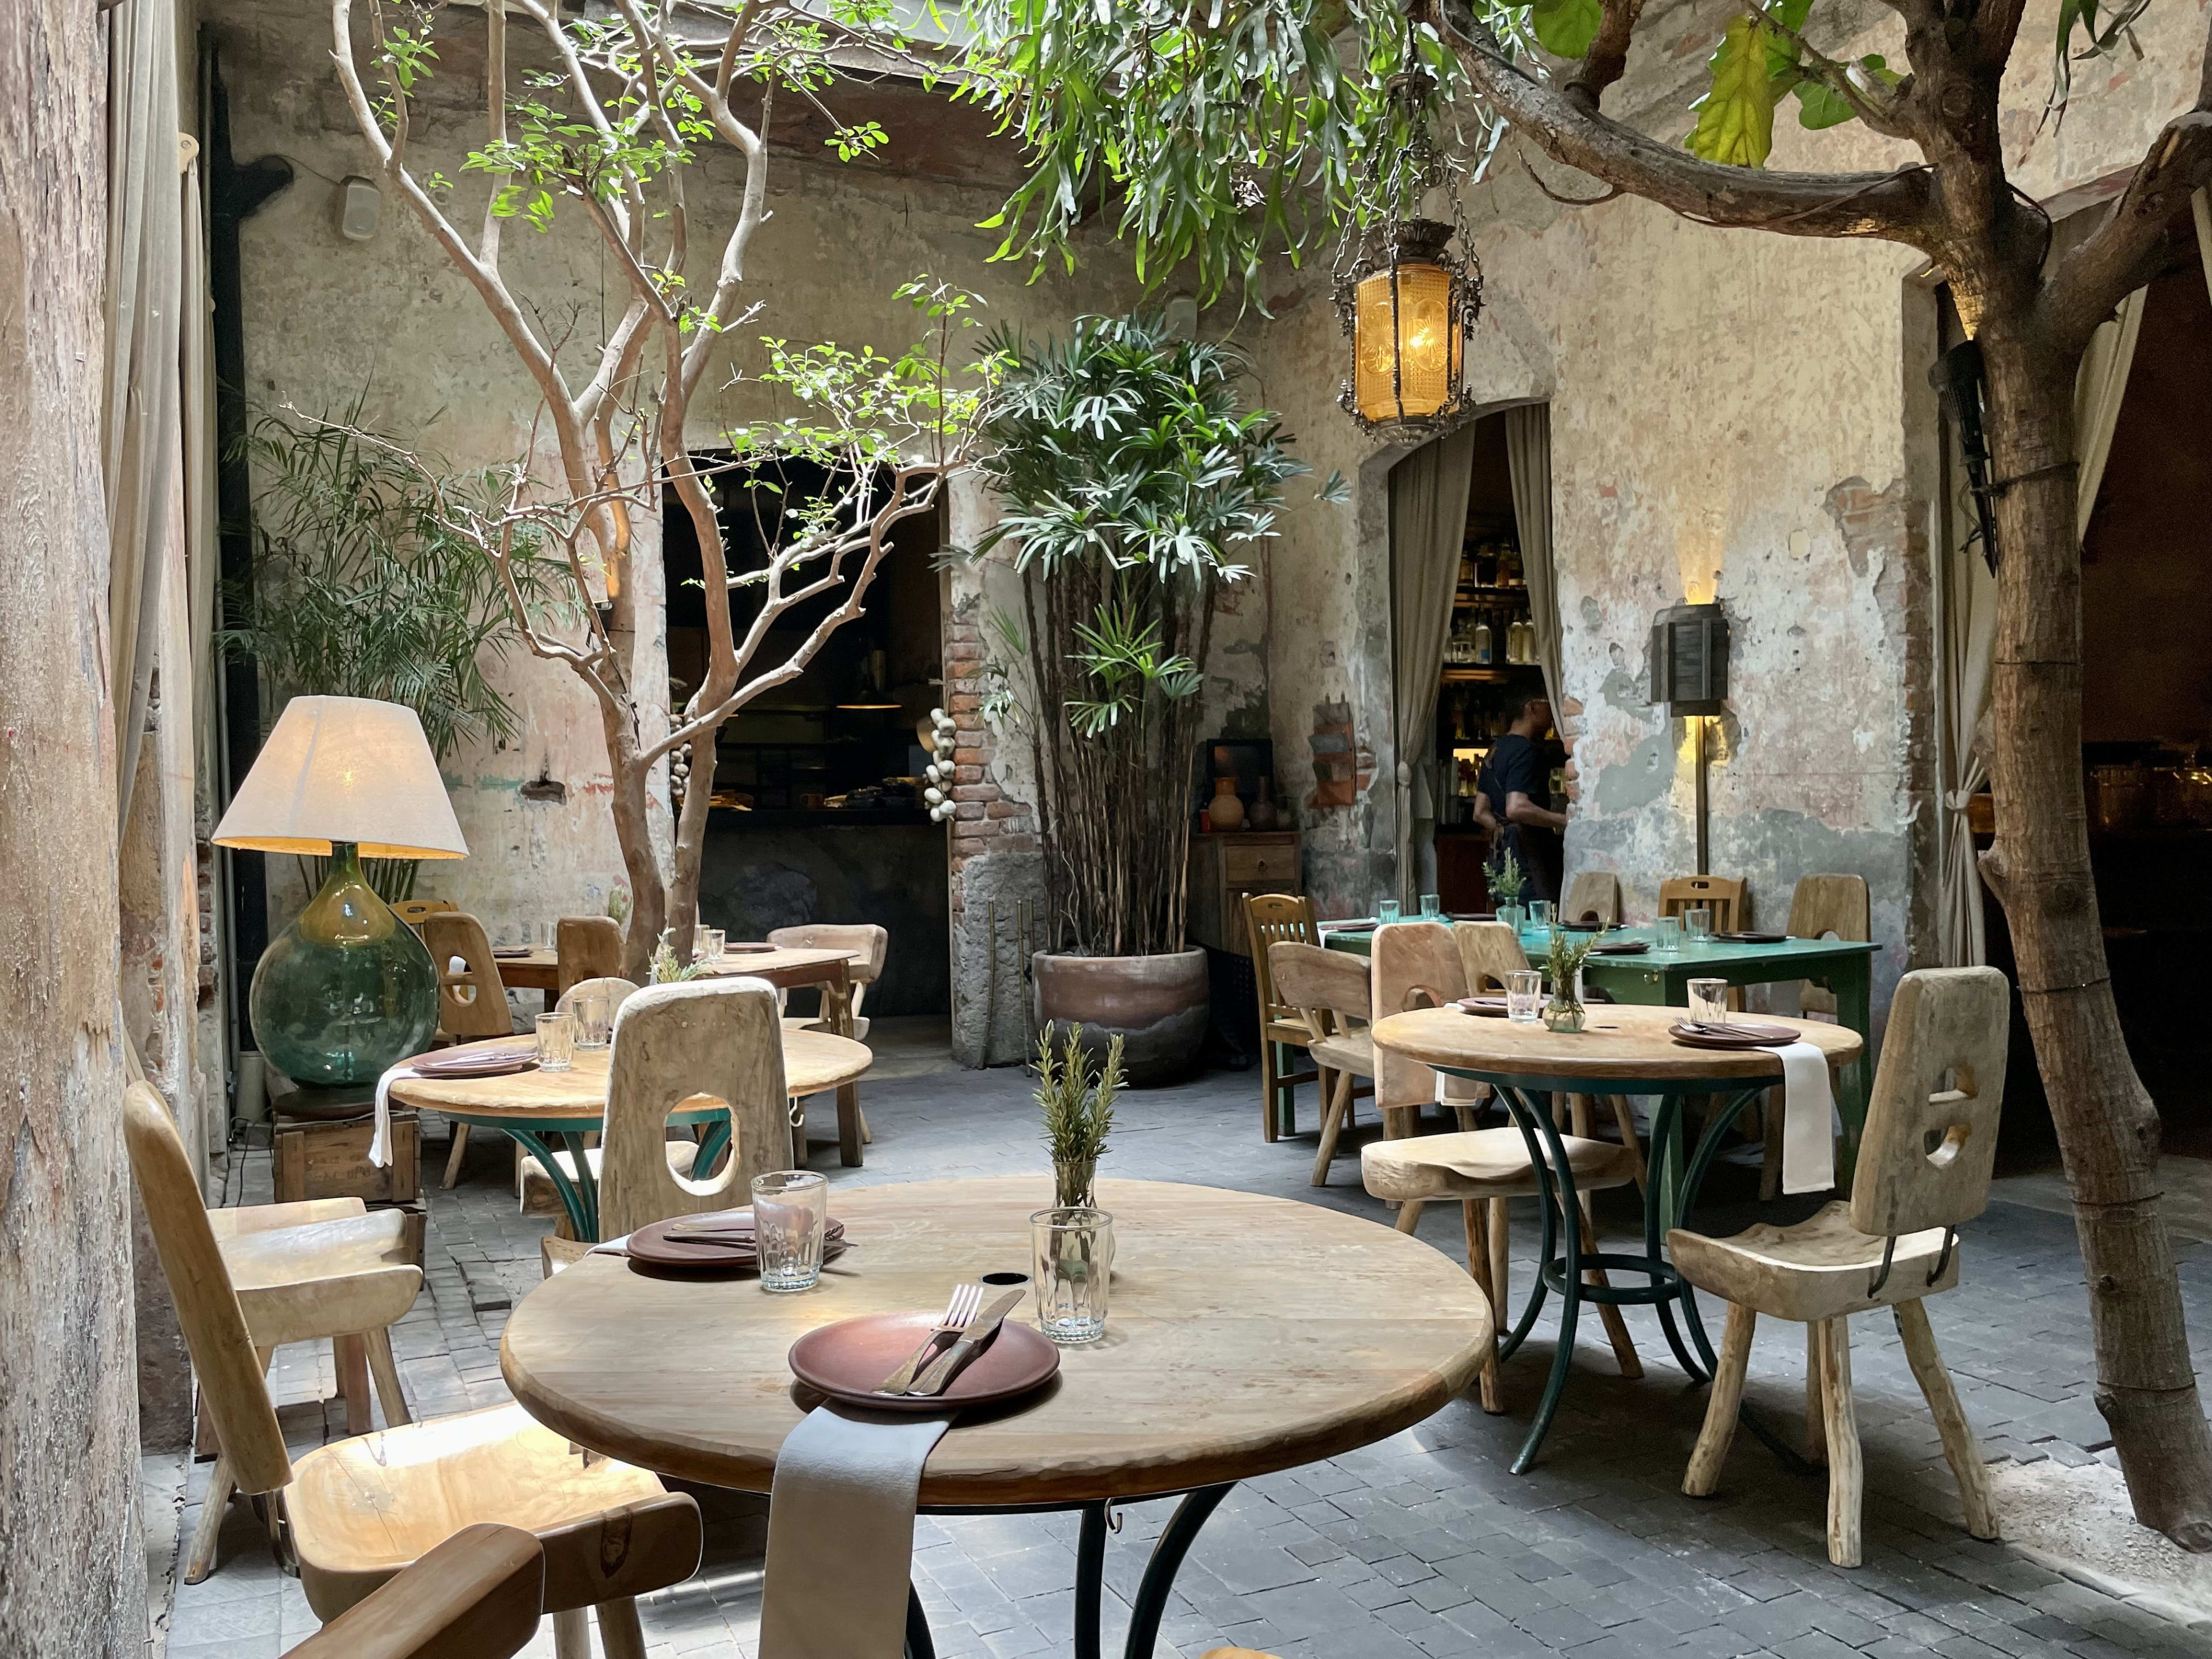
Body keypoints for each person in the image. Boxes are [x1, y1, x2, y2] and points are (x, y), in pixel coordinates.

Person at [1478, 695, 1569, 903]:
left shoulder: (1494, 750)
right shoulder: (1525, 750)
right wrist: (1563, 820)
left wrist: (1505, 831)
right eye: (1548, 703)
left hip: (1502, 859)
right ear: (1532, 707)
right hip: (1530, 860)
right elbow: (1516, 807)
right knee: (1539, 923)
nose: (1554, 711)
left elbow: (1480, 812)